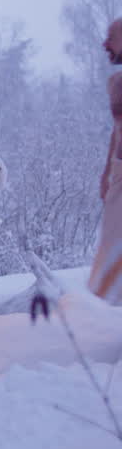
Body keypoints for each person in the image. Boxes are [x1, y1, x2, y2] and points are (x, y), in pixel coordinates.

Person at [91, 21, 122, 304]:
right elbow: (117, 129)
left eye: (110, 38)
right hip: (120, 171)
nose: (104, 44)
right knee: (112, 241)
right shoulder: (116, 83)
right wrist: (106, 172)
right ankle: (103, 311)